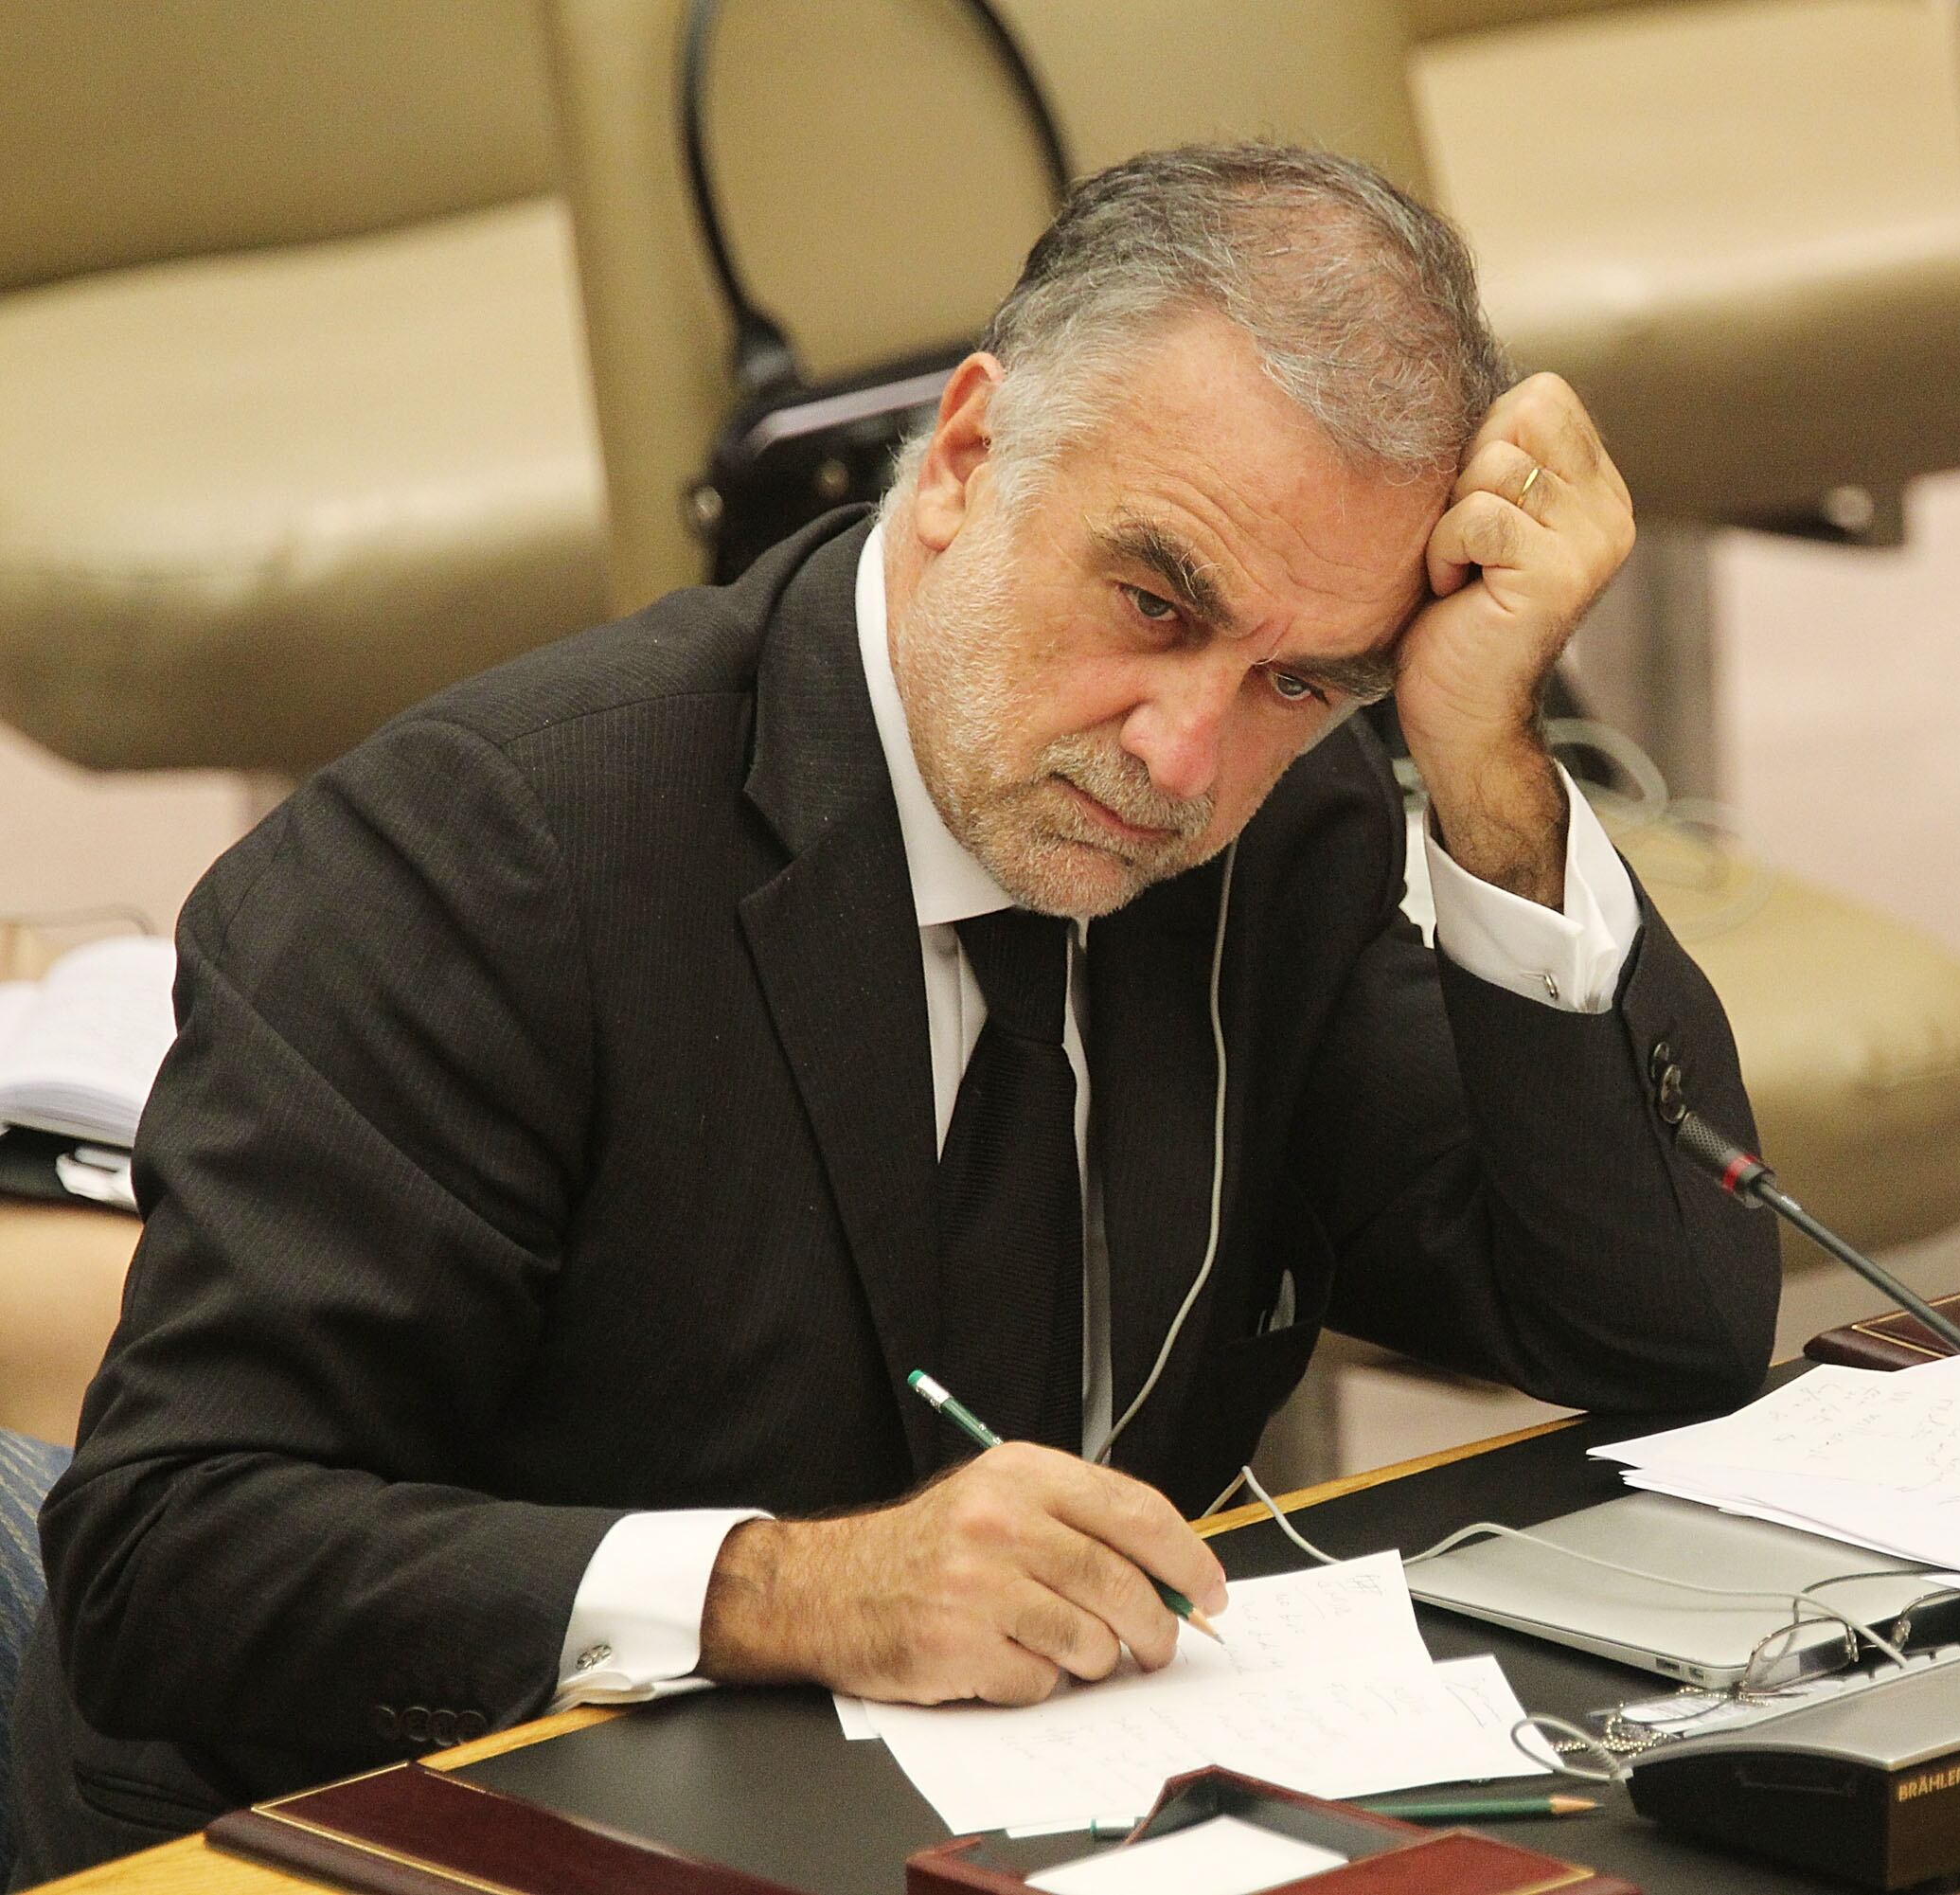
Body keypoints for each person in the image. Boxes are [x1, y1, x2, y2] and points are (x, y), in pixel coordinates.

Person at [9, 143, 1776, 1880]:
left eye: (1300, 679)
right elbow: (168, 1561)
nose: (1182, 754)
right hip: (436, 1830)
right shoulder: (490, 860)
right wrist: (787, 1588)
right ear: (966, 453)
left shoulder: (1271, 833)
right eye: (1153, 600)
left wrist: (1484, 765)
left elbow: (1656, 1344)